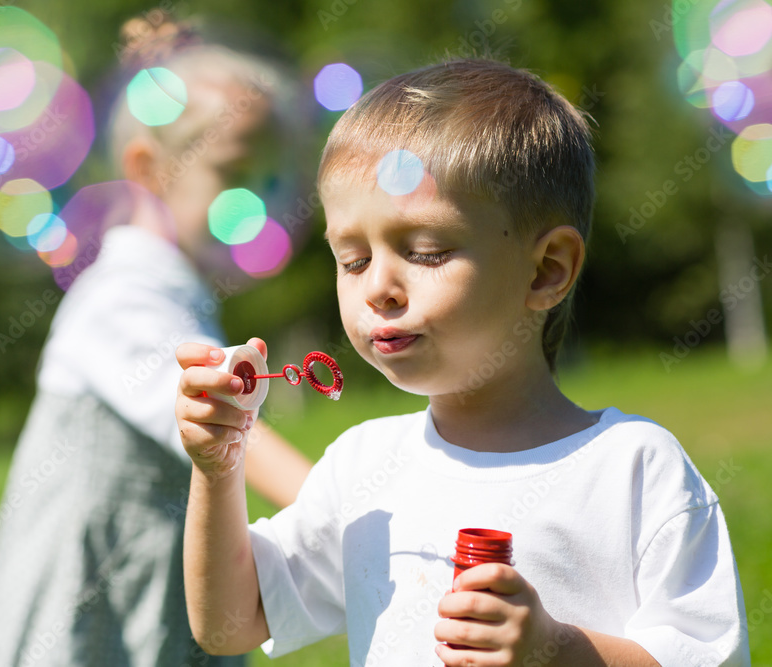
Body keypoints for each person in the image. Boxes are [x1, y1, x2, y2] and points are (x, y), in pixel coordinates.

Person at [174, 58, 750, 665]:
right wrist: (217, 468)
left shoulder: (634, 469)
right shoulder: (363, 471)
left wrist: (554, 650)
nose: (379, 288)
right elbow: (230, 624)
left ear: (547, 269)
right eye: (353, 260)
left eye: (425, 251)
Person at [0, 14, 312, 667]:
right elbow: (210, 415)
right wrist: (340, 505)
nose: (259, 202)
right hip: (86, 632)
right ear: (147, 170)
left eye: (271, 178)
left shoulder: (182, 296)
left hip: (156, 619)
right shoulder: (120, 294)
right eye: (236, 170)